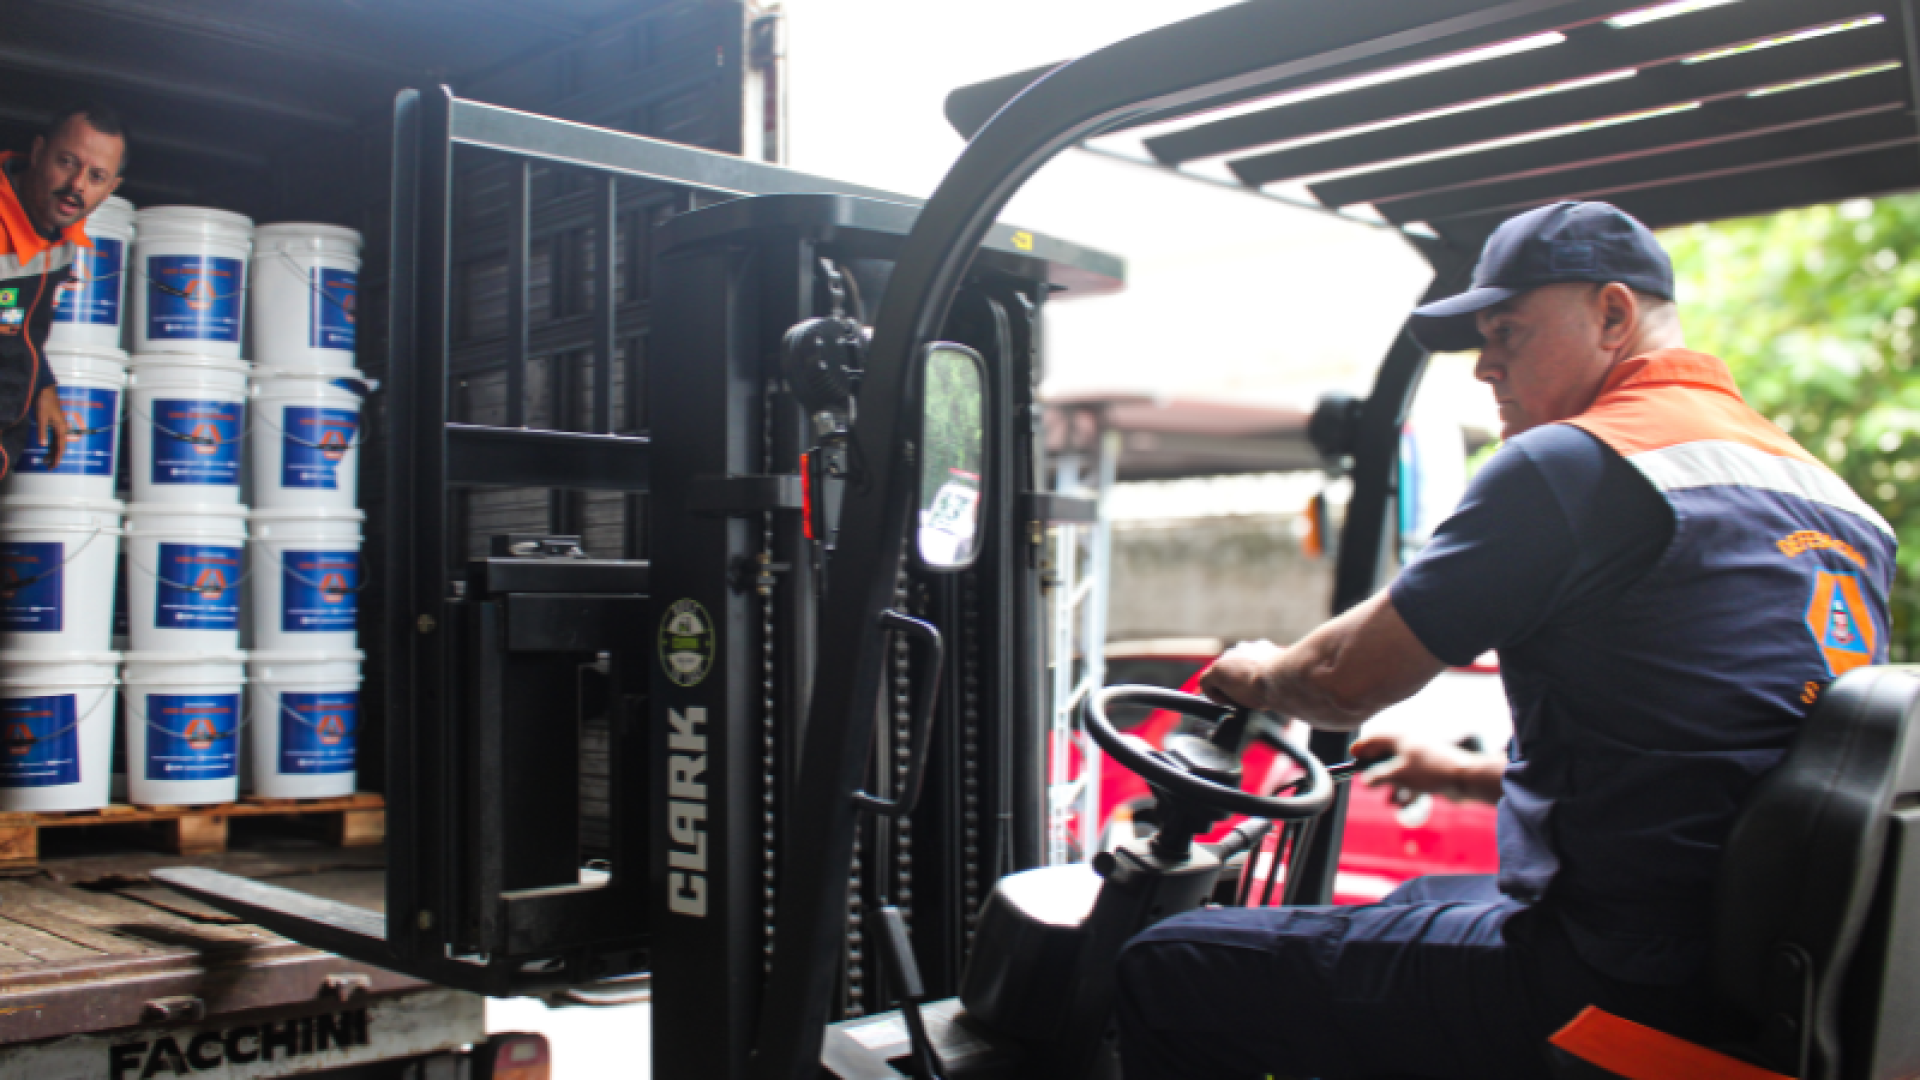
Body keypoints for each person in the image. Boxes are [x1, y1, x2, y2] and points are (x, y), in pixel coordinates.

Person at [1113, 201, 1896, 1080]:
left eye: (1509, 332)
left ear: (1612, 314)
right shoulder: (1839, 505)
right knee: (1416, 902)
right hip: (1750, 968)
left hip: (1611, 978)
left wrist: (1254, 673)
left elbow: (1337, 681)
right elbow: (1728, 756)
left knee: (1167, 965)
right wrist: (1458, 774)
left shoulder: (1579, 463)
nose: (1486, 365)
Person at [0, 102, 129, 477]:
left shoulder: (62, 238)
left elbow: (23, 328)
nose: (77, 185)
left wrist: (42, 384)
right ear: (38, 152)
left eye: (96, 176)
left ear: (110, 189)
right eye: (68, 162)